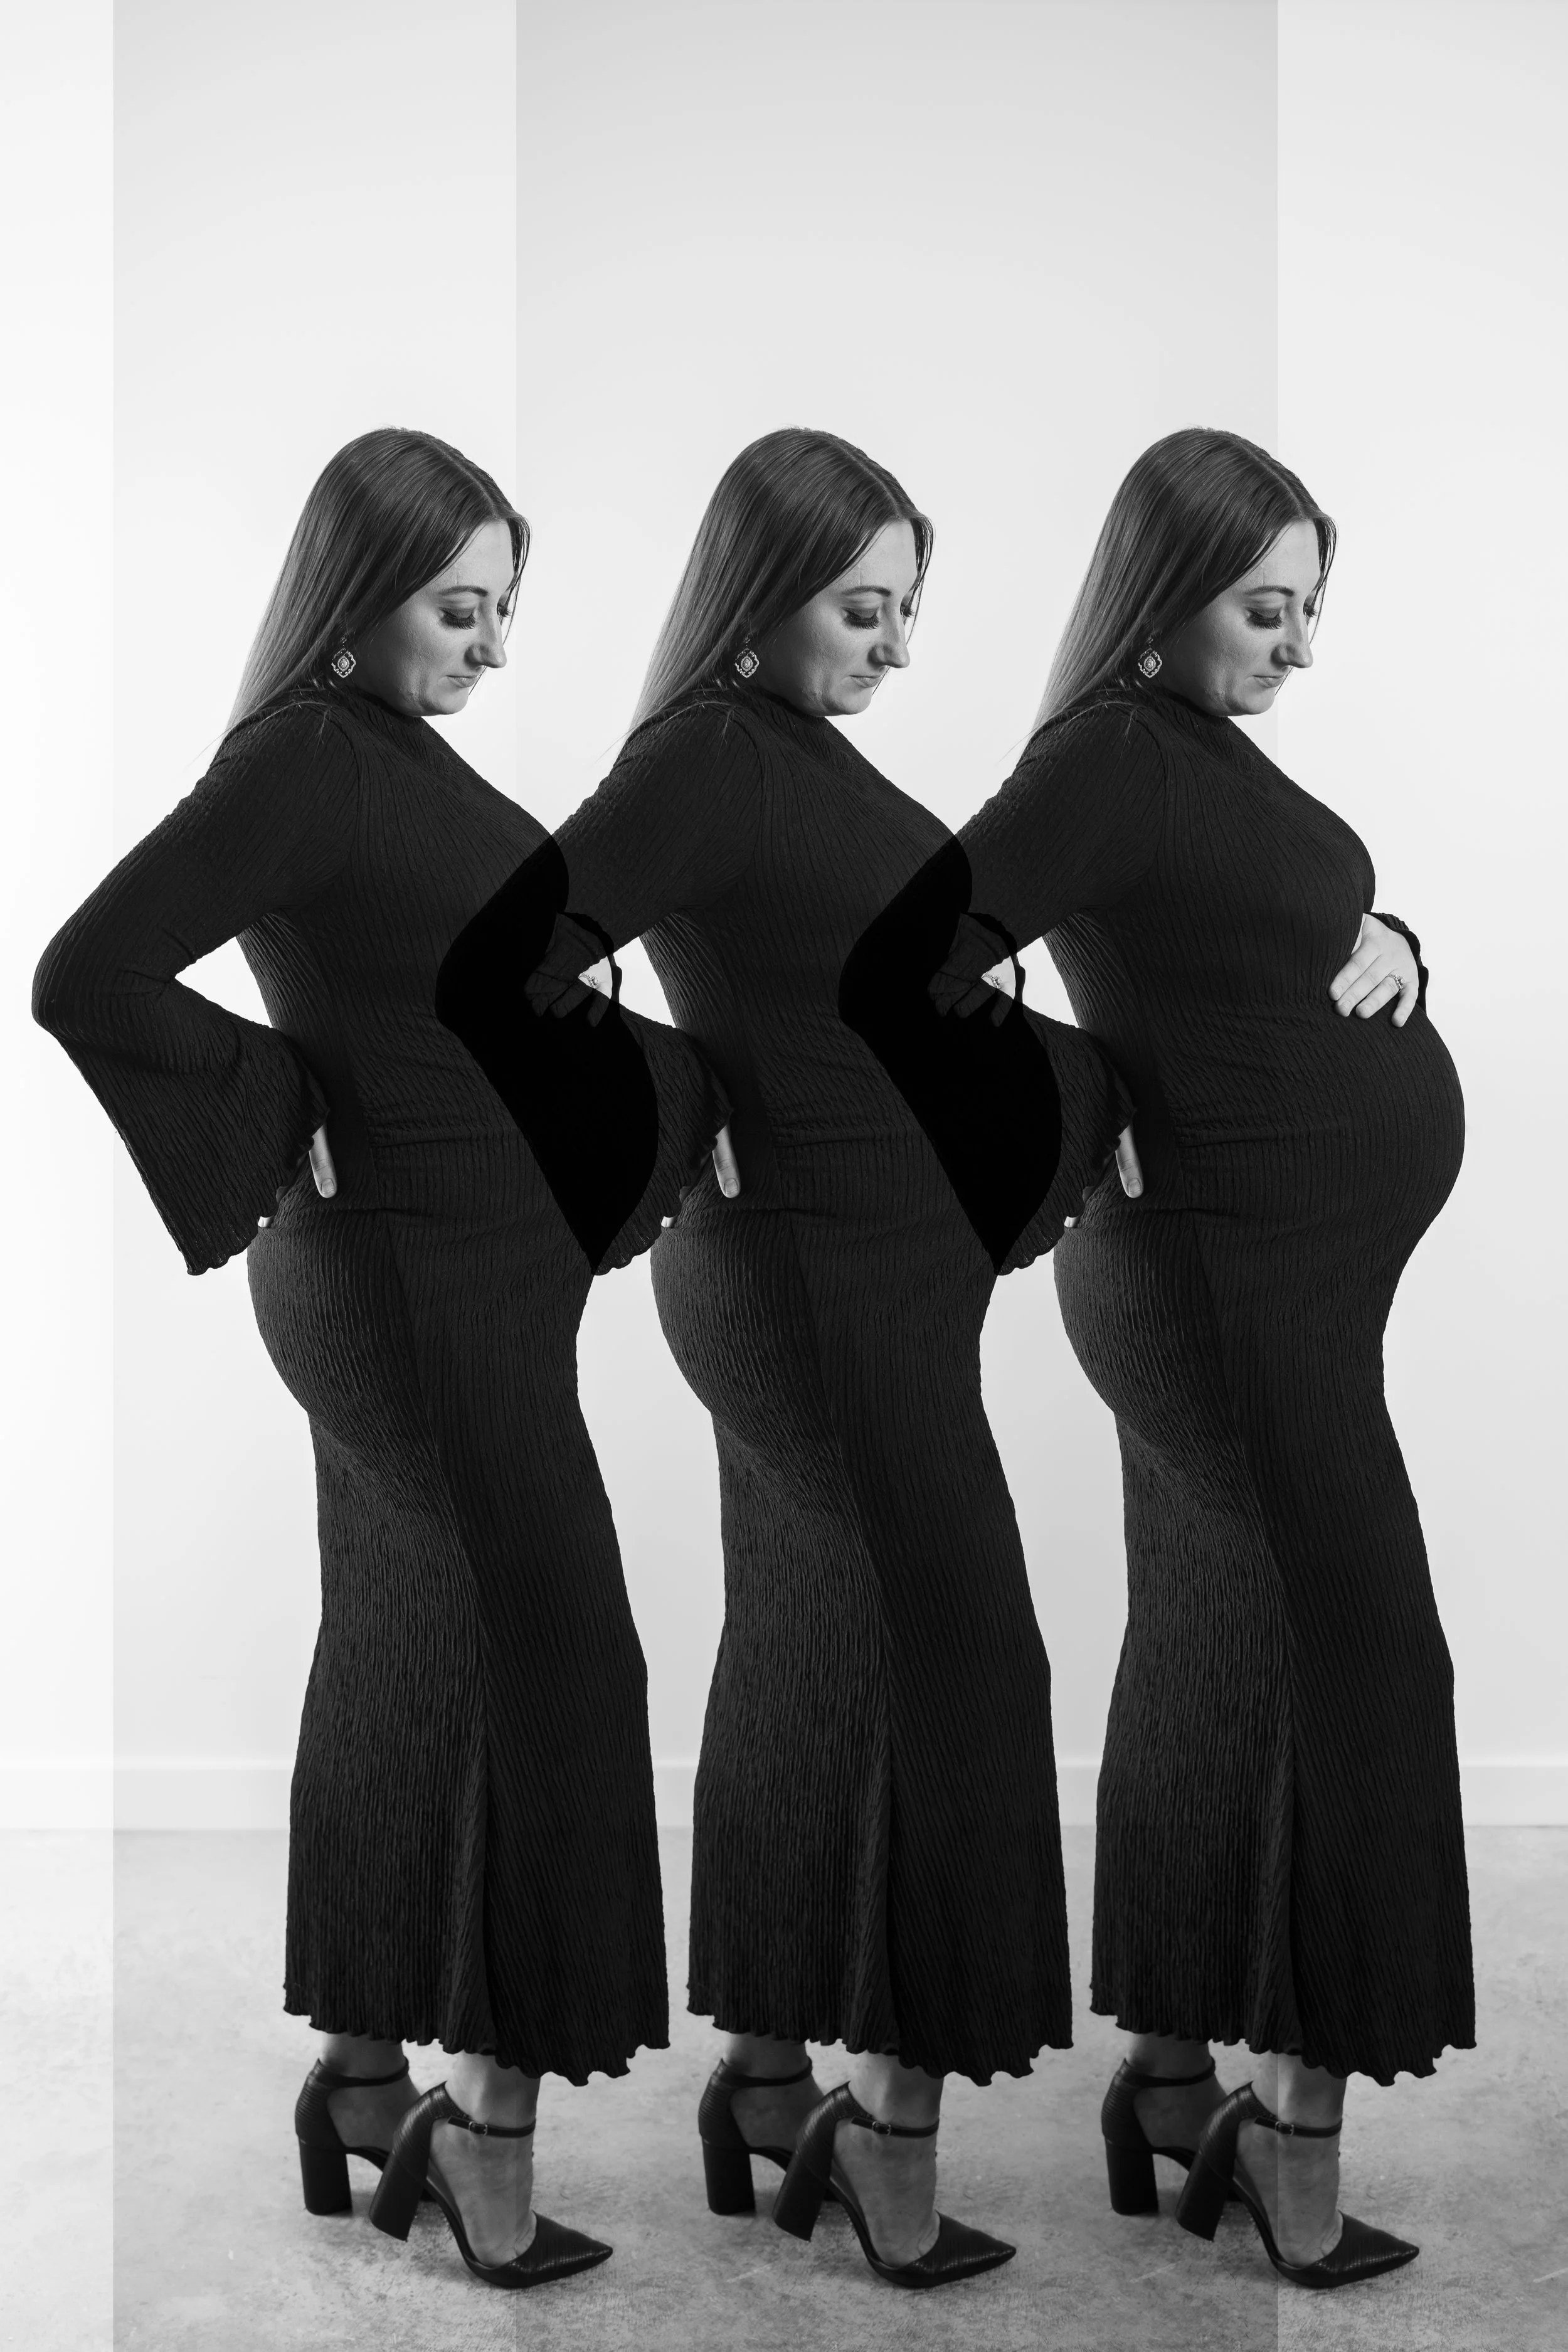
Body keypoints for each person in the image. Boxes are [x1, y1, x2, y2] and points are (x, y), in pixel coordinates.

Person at [436, 428, 1135, 2289]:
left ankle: (761, 2069)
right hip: (813, 1290)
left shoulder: (793, 756)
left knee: (813, 1638)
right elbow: (504, 963)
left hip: (857, 1284)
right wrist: (668, 1096)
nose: (893, 643)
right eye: (860, 604)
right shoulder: (703, 757)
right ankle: (885, 2146)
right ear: (764, 592)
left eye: (908, 610)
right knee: (962, 1660)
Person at [33, 428, 727, 2291]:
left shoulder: (382, 759)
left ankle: (358, 2071)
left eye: (505, 609)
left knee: (408, 1643)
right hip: (411, 1289)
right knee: (555, 1663)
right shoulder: (303, 761)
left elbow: (463, 986)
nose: (491, 644)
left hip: (438, 1283)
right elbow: (84, 970)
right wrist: (278, 1101)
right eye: (459, 604)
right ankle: (484, 2156)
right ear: (360, 594)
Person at [904, 426, 1468, 2289]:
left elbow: (1248, 943)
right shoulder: (1097, 756)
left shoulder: (1189, 757)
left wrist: (1389, 936)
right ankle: (1290, 2157)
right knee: (1354, 1659)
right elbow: (905, 962)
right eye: (1262, 605)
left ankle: (1164, 2073)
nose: (1295, 645)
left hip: (1267, 1282)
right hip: (1217, 1292)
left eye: (1310, 608)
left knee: (1217, 1640)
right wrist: (1068, 1090)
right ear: (1164, 591)